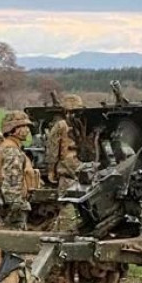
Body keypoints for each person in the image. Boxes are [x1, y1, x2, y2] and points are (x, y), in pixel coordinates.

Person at [0, 111, 40, 229]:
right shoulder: (11, 150)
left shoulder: (12, 147)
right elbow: (11, 181)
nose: (27, 130)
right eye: (22, 126)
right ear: (12, 129)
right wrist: (17, 204)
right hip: (14, 204)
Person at [47, 95, 84, 232]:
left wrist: (51, 169)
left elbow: (52, 149)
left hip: (67, 172)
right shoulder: (86, 124)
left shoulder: (60, 126)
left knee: (66, 204)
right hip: (83, 171)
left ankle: (64, 231)